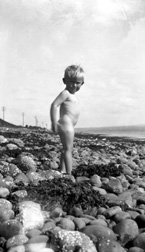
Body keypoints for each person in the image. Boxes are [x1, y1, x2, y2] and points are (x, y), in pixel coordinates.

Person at [50, 65, 84, 176]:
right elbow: (54, 105)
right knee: (68, 149)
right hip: (66, 123)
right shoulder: (65, 93)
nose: (74, 85)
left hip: (69, 125)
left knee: (65, 148)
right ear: (64, 81)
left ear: (82, 83)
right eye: (71, 82)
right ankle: (70, 173)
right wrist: (54, 122)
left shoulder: (73, 95)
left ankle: (62, 169)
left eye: (78, 83)